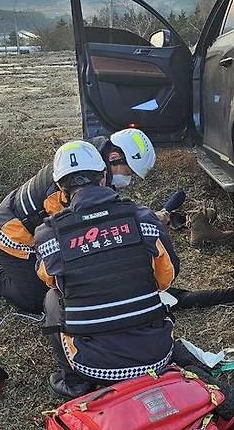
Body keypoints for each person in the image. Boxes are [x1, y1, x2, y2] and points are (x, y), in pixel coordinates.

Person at [35, 140, 180, 399]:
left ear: (61, 188)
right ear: (103, 177)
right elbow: (166, 279)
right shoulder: (143, 218)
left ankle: (73, 382)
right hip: (156, 357)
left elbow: (50, 279)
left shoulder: (49, 234)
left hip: (93, 367)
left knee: (52, 297)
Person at [0, 128, 157, 312]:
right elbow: (70, 233)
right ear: (114, 158)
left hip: (30, 224)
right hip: (12, 232)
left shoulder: (90, 160)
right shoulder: (69, 187)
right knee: (36, 299)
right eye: (128, 173)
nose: (128, 180)